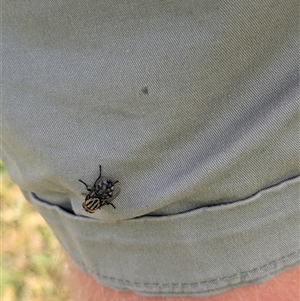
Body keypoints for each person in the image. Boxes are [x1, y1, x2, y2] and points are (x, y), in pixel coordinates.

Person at [2, 1, 299, 300]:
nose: (92, 200)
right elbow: (96, 189)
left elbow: (99, 191)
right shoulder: (94, 196)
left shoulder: (98, 199)